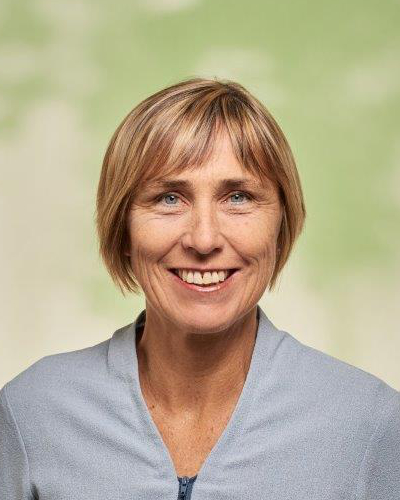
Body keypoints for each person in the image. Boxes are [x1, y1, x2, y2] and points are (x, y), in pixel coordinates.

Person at [1, 77, 399, 500]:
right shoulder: (32, 413)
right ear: (123, 227)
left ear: (281, 224)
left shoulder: (370, 425)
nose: (204, 239)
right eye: (169, 198)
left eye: (238, 197)